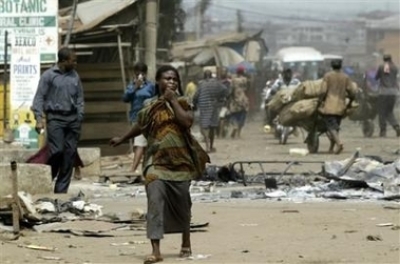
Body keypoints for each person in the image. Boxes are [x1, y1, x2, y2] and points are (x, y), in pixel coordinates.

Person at [110, 65, 210, 264]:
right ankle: (156, 250)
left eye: (174, 79)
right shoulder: (150, 104)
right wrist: (122, 138)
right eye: (167, 78)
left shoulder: (183, 102)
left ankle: (186, 240)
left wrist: (172, 100)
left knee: (183, 204)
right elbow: (141, 125)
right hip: (155, 161)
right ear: (158, 81)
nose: (171, 81)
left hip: (180, 163)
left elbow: (187, 122)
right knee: (154, 201)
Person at [31, 47, 84, 193]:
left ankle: (61, 192)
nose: (75, 64)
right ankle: (47, 178)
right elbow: (39, 97)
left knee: (69, 155)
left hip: (73, 119)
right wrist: (39, 118)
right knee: (57, 151)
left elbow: (80, 97)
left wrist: (80, 115)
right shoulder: (48, 76)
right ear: (63, 61)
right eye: (73, 61)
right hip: (55, 119)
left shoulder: (75, 76)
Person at [318, 59, 357, 154]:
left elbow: (323, 91)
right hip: (341, 106)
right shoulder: (345, 77)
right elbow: (352, 91)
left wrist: (320, 101)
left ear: (331, 66)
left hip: (330, 105)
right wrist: (350, 102)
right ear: (341, 66)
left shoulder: (328, 76)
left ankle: (339, 144)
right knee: (335, 127)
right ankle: (331, 148)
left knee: (330, 127)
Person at [122, 62, 155, 173]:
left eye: (142, 73)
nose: (140, 75)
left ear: (145, 74)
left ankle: (133, 169)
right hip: (135, 117)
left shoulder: (150, 86)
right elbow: (125, 98)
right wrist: (135, 87)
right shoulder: (131, 86)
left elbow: (156, 98)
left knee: (140, 143)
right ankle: (145, 168)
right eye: (137, 73)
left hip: (147, 118)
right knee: (140, 144)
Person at [193, 70, 227, 152]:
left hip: (204, 106)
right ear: (211, 75)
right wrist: (220, 98)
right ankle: (211, 146)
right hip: (214, 106)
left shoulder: (201, 84)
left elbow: (196, 96)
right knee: (212, 126)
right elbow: (225, 89)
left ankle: (207, 146)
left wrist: (194, 104)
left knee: (204, 126)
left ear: (204, 76)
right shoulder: (217, 83)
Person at [375, 54, 400, 137]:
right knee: (389, 111)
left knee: (381, 112)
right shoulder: (395, 67)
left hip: (384, 92)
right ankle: (396, 126)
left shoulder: (382, 66)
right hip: (393, 92)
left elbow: (376, 77)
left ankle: (383, 131)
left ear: (384, 59)